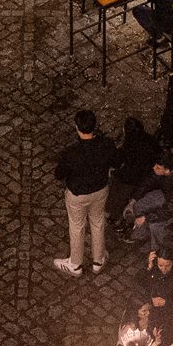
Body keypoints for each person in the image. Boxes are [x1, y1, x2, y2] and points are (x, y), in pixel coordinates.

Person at [53, 109, 119, 277]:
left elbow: (59, 174)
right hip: (100, 190)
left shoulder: (71, 153)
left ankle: (75, 264)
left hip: (77, 194)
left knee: (76, 226)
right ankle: (98, 260)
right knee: (97, 222)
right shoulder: (107, 144)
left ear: (77, 127)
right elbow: (117, 162)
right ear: (94, 126)